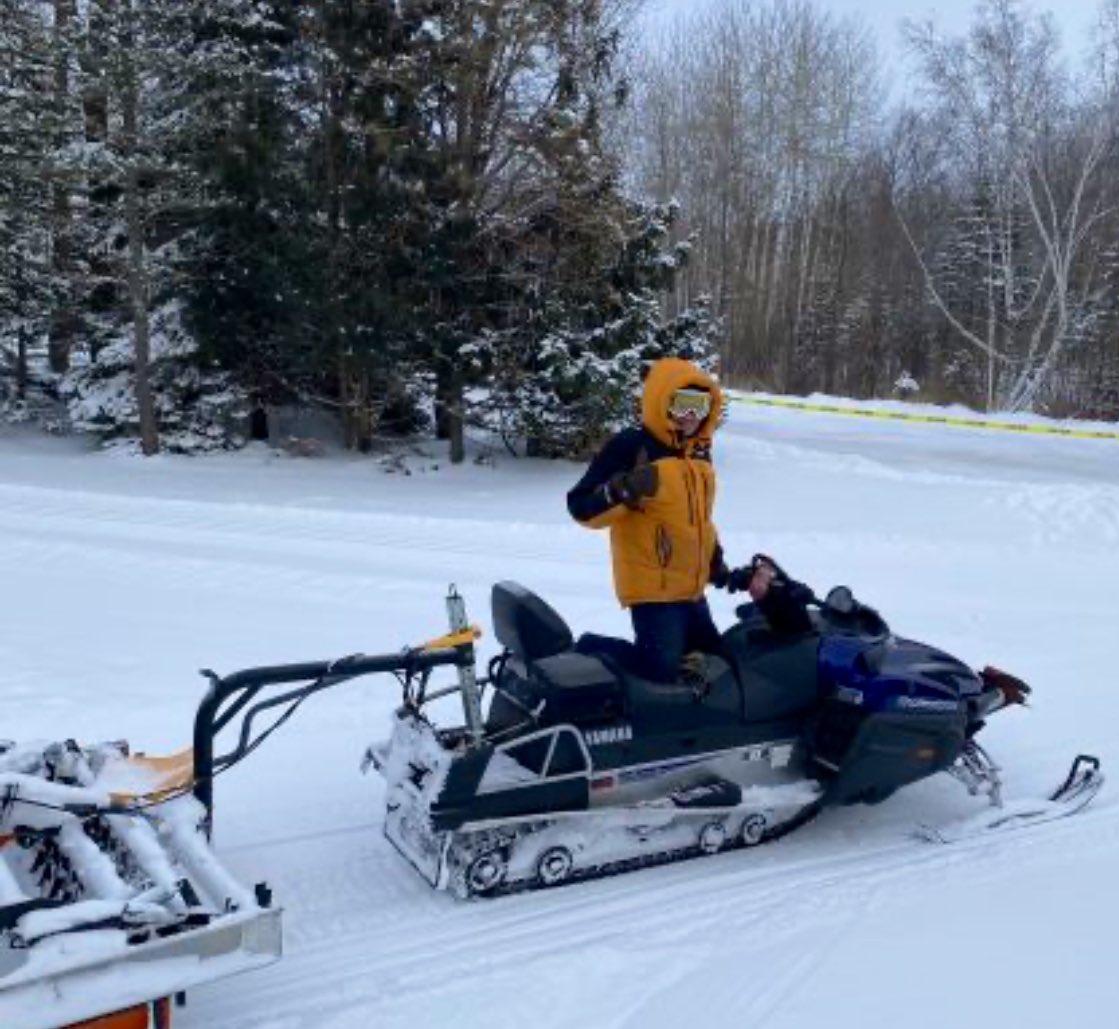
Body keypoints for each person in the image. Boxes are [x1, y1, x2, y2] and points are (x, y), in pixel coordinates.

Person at [567, 357, 774, 684]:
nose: (691, 415)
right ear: (662, 401)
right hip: (653, 592)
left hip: (691, 592)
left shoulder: (699, 454)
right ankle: (587, 648)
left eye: (700, 404)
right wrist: (624, 489)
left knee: (717, 666)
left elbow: (699, 523)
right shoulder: (632, 446)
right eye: (682, 404)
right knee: (659, 673)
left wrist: (720, 571)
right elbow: (580, 506)